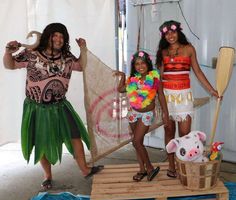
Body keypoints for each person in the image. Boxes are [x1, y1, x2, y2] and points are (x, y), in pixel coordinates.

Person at [3, 23, 103, 189]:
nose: (59, 39)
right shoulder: (31, 53)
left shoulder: (66, 56)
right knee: (41, 141)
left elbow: (81, 66)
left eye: (62, 37)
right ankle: (47, 175)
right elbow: (10, 65)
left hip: (60, 106)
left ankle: (85, 170)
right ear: (47, 37)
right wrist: (8, 52)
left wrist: (83, 49)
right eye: (55, 35)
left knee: (75, 134)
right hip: (37, 107)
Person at [156, 20, 219, 178]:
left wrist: (211, 90)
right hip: (167, 97)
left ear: (179, 32)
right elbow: (159, 79)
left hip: (184, 98)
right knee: (169, 130)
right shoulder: (162, 52)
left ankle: (183, 166)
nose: (170, 36)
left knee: (185, 134)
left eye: (173, 32)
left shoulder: (189, 49)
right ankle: (171, 166)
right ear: (164, 36)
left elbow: (197, 72)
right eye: (167, 33)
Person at [114, 51, 169, 181]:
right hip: (133, 113)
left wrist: (166, 113)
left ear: (148, 63)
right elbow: (120, 89)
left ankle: (149, 167)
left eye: (143, 63)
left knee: (136, 141)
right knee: (138, 143)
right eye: (137, 64)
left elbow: (161, 95)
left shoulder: (155, 78)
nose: (140, 66)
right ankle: (142, 170)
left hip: (147, 114)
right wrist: (122, 75)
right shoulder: (133, 79)